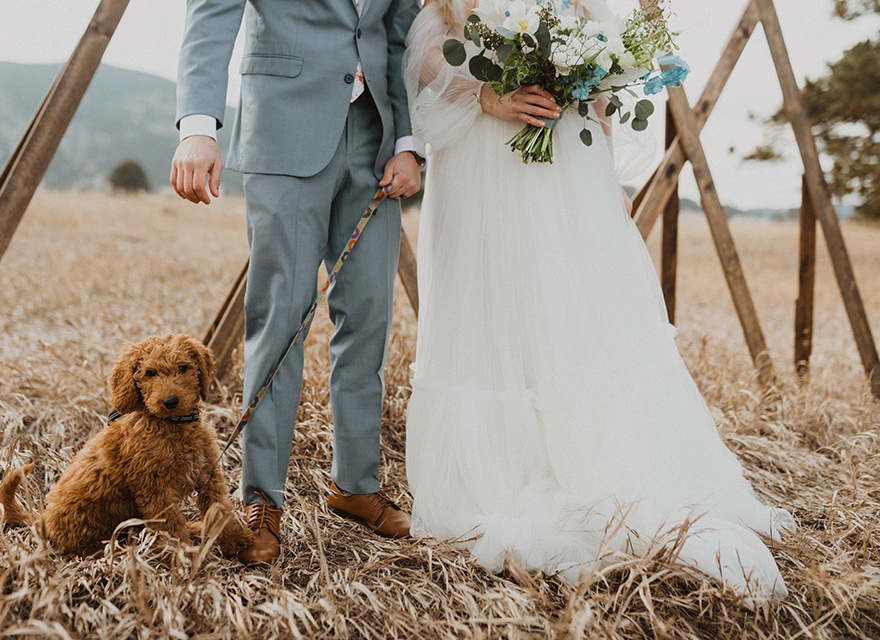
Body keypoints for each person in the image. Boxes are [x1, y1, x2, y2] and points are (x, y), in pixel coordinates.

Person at [402, 0, 796, 603]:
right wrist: (486, 94)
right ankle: (507, 463)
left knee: (568, 303)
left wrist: (606, 173)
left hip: (569, 164)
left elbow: (600, 76)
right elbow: (430, 43)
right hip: (485, 162)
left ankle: (600, 463)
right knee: (499, 303)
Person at [171, 0, 422, 565]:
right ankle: (262, 498)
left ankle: (354, 485)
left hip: (376, 139)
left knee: (370, 316)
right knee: (279, 317)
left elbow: (400, 32)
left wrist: (408, 142)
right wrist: (197, 128)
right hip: (283, 127)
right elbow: (212, 14)